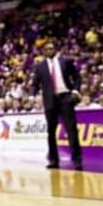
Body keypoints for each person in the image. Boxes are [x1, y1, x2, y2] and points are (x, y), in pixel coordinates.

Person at [32, 41, 83, 170]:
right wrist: (32, 95)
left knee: (71, 130)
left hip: (65, 97)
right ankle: (53, 160)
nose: (49, 50)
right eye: (47, 49)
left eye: (51, 48)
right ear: (43, 51)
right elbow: (35, 83)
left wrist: (75, 91)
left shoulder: (65, 61)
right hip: (50, 101)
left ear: (55, 49)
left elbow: (77, 77)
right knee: (50, 131)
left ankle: (77, 160)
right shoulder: (40, 66)